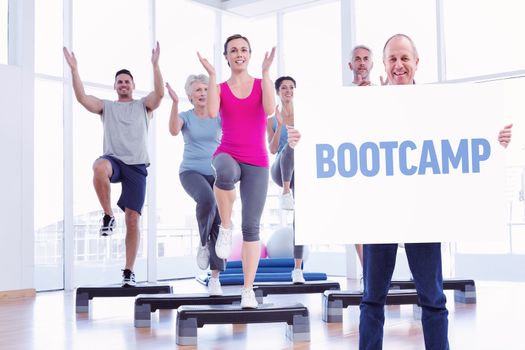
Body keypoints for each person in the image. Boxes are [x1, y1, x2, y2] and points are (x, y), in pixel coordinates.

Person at [63, 43, 164, 287]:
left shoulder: (143, 106)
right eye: (119, 82)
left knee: (132, 220)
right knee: (99, 167)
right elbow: (83, 98)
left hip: (137, 166)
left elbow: (159, 95)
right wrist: (74, 70)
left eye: (127, 81)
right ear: (115, 86)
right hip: (114, 161)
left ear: (133, 85)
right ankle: (108, 215)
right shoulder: (106, 106)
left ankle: (128, 271)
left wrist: (155, 65)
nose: (123, 84)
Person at [197, 34, 275, 308]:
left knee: (252, 227)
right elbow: (210, 112)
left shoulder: (260, 84)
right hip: (227, 153)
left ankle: (248, 290)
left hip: (257, 160)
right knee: (224, 172)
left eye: (243, 50)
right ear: (227, 56)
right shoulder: (220, 86)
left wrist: (266, 73)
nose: (239, 54)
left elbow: (269, 109)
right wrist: (211, 75)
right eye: (233, 50)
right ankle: (225, 226)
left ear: (249, 54)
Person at [166, 75, 225, 296]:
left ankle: (215, 280)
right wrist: (173, 103)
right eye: (197, 90)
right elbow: (173, 130)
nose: (202, 93)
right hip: (190, 171)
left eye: (205, 89)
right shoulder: (185, 117)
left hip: (216, 173)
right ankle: (202, 244)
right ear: (190, 96)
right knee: (207, 200)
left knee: (219, 223)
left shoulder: (218, 117)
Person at [266, 76, 305, 283]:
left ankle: (297, 269)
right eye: (284, 88)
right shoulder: (271, 120)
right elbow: (272, 149)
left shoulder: (304, 116)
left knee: (302, 221)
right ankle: (285, 193)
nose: (288, 90)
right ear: (278, 92)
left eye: (291, 87)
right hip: (279, 171)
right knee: (290, 144)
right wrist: (280, 125)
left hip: (300, 172)